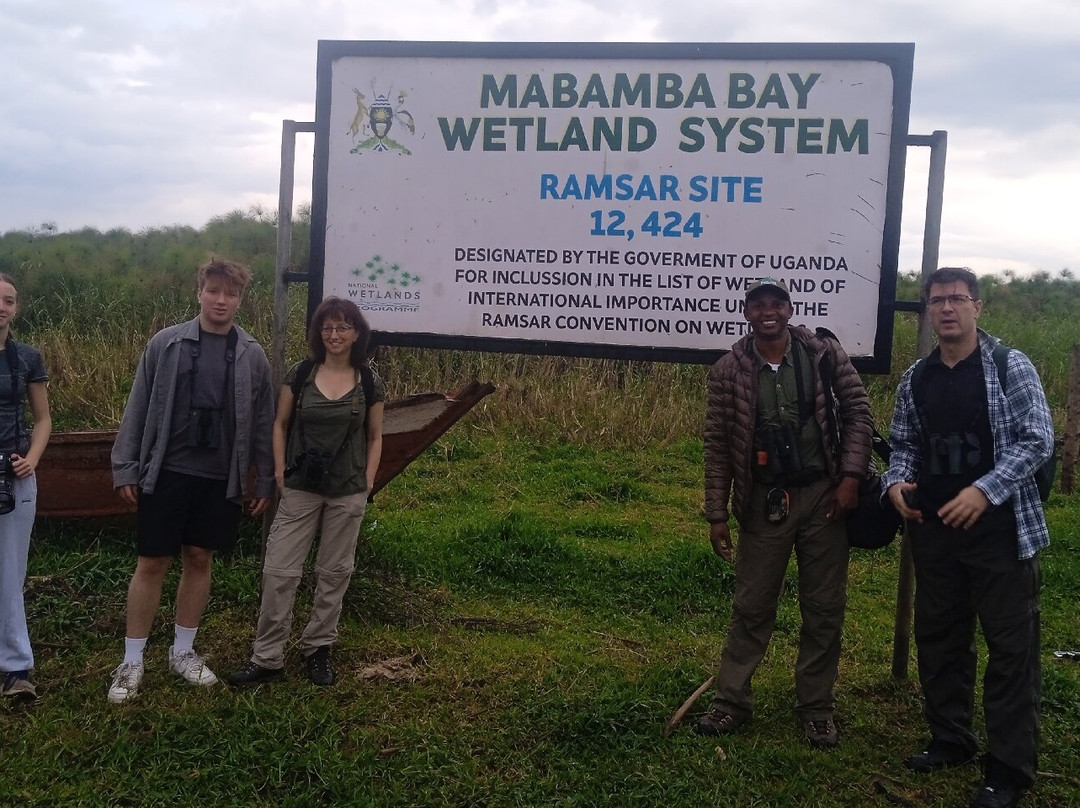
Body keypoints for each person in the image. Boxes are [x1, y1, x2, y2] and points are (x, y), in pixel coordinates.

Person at [883, 267, 1053, 808]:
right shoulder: (917, 377)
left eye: (957, 299)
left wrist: (985, 490)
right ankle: (950, 737)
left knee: (1011, 649)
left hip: (1000, 534)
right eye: (937, 301)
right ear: (928, 310)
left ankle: (1008, 769)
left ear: (977, 307)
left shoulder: (1008, 365)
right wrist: (894, 484)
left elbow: (1037, 439)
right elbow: (905, 444)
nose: (947, 309)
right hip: (935, 531)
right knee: (940, 638)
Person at [697, 277, 872, 748]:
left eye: (777, 303)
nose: (768, 312)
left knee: (824, 607)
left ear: (791, 310)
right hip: (763, 501)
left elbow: (859, 412)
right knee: (751, 606)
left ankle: (816, 708)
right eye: (758, 305)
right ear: (747, 314)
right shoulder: (728, 371)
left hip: (823, 497)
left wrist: (851, 477)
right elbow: (717, 445)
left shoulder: (823, 354)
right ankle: (731, 701)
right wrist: (717, 513)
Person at [108, 258, 274, 704]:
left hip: (220, 477)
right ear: (199, 292)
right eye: (213, 291)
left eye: (231, 294)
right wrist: (126, 466)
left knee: (199, 558)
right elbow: (138, 404)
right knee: (152, 561)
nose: (221, 300)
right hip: (167, 470)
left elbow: (263, 422)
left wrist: (264, 480)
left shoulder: (252, 354)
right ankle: (132, 660)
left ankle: (182, 651)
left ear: (240, 300)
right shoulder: (166, 344)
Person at [227, 298, 384, 688]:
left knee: (334, 572)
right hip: (300, 489)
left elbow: (375, 436)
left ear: (357, 333)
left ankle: (318, 648)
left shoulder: (368, 382)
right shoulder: (301, 374)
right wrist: (280, 471)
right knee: (279, 571)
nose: (334, 335)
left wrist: (368, 480)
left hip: (347, 491)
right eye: (327, 327)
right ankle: (267, 657)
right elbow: (280, 424)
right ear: (318, 333)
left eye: (343, 327)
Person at [0, 274, 52, 701]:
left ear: (16, 308)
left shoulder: (27, 358)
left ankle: (16, 668)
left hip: (14, 476)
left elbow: (43, 419)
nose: (1, 307)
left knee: (10, 573)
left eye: (9, 300)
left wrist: (31, 459)